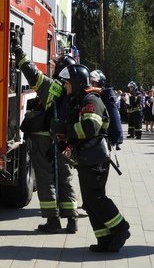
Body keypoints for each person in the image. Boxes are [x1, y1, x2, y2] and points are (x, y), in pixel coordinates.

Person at [54, 64, 130, 252]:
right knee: (89, 201)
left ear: (77, 82)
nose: (65, 86)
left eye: (67, 83)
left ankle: (121, 229)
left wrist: (65, 129)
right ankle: (104, 239)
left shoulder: (91, 100)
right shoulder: (80, 99)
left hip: (95, 159)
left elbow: (89, 129)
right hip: (88, 158)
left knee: (95, 197)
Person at [13, 42, 79, 234]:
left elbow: (32, 74)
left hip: (44, 140)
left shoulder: (52, 87)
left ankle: (53, 221)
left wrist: (18, 52)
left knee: (45, 178)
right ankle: (72, 220)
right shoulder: (74, 93)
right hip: (64, 140)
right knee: (65, 178)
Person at [89, 70, 123, 150]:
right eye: (90, 82)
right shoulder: (91, 95)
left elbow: (115, 119)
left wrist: (116, 138)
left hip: (101, 141)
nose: (90, 85)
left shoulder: (106, 96)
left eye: (93, 82)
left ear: (100, 83)